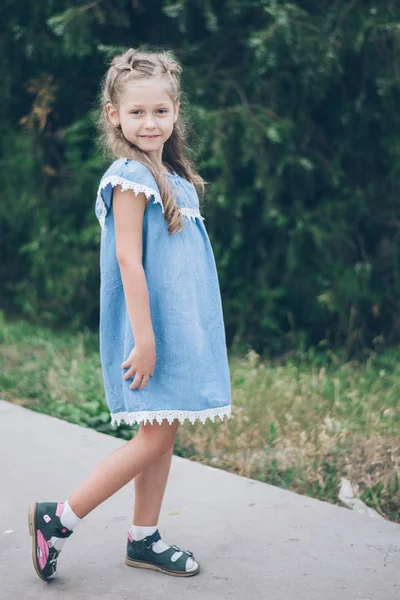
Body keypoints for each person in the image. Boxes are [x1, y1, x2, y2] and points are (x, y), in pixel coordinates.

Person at [28, 47, 231, 582]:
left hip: (174, 327)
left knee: (164, 429)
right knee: (155, 437)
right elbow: (127, 259)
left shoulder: (174, 176)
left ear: (175, 112)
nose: (150, 122)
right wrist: (144, 339)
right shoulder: (128, 176)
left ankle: (143, 537)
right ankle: (60, 518)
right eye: (137, 112)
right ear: (114, 115)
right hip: (150, 330)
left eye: (160, 111)